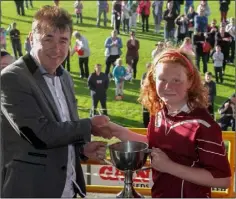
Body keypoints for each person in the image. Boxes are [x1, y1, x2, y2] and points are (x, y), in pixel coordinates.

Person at [1, 6, 112, 198]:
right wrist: (89, 126)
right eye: (48, 39)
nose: (57, 48)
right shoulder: (12, 78)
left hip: (67, 189)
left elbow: (61, 129)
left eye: (63, 41)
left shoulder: (65, 77)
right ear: (31, 39)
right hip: (31, 190)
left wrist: (82, 150)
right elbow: (39, 134)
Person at [107, 48, 231, 197]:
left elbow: (223, 179)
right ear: (153, 80)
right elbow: (155, 146)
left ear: (190, 82)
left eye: (176, 80)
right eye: (162, 79)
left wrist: (169, 167)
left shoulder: (203, 124)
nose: (168, 86)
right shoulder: (159, 113)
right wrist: (117, 131)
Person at [140, 62, 151, 128]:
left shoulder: (154, 75)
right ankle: (145, 124)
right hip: (145, 94)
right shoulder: (144, 75)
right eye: (148, 67)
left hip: (151, 95)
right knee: (145, 110)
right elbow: (141, 83)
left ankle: (151, 123)